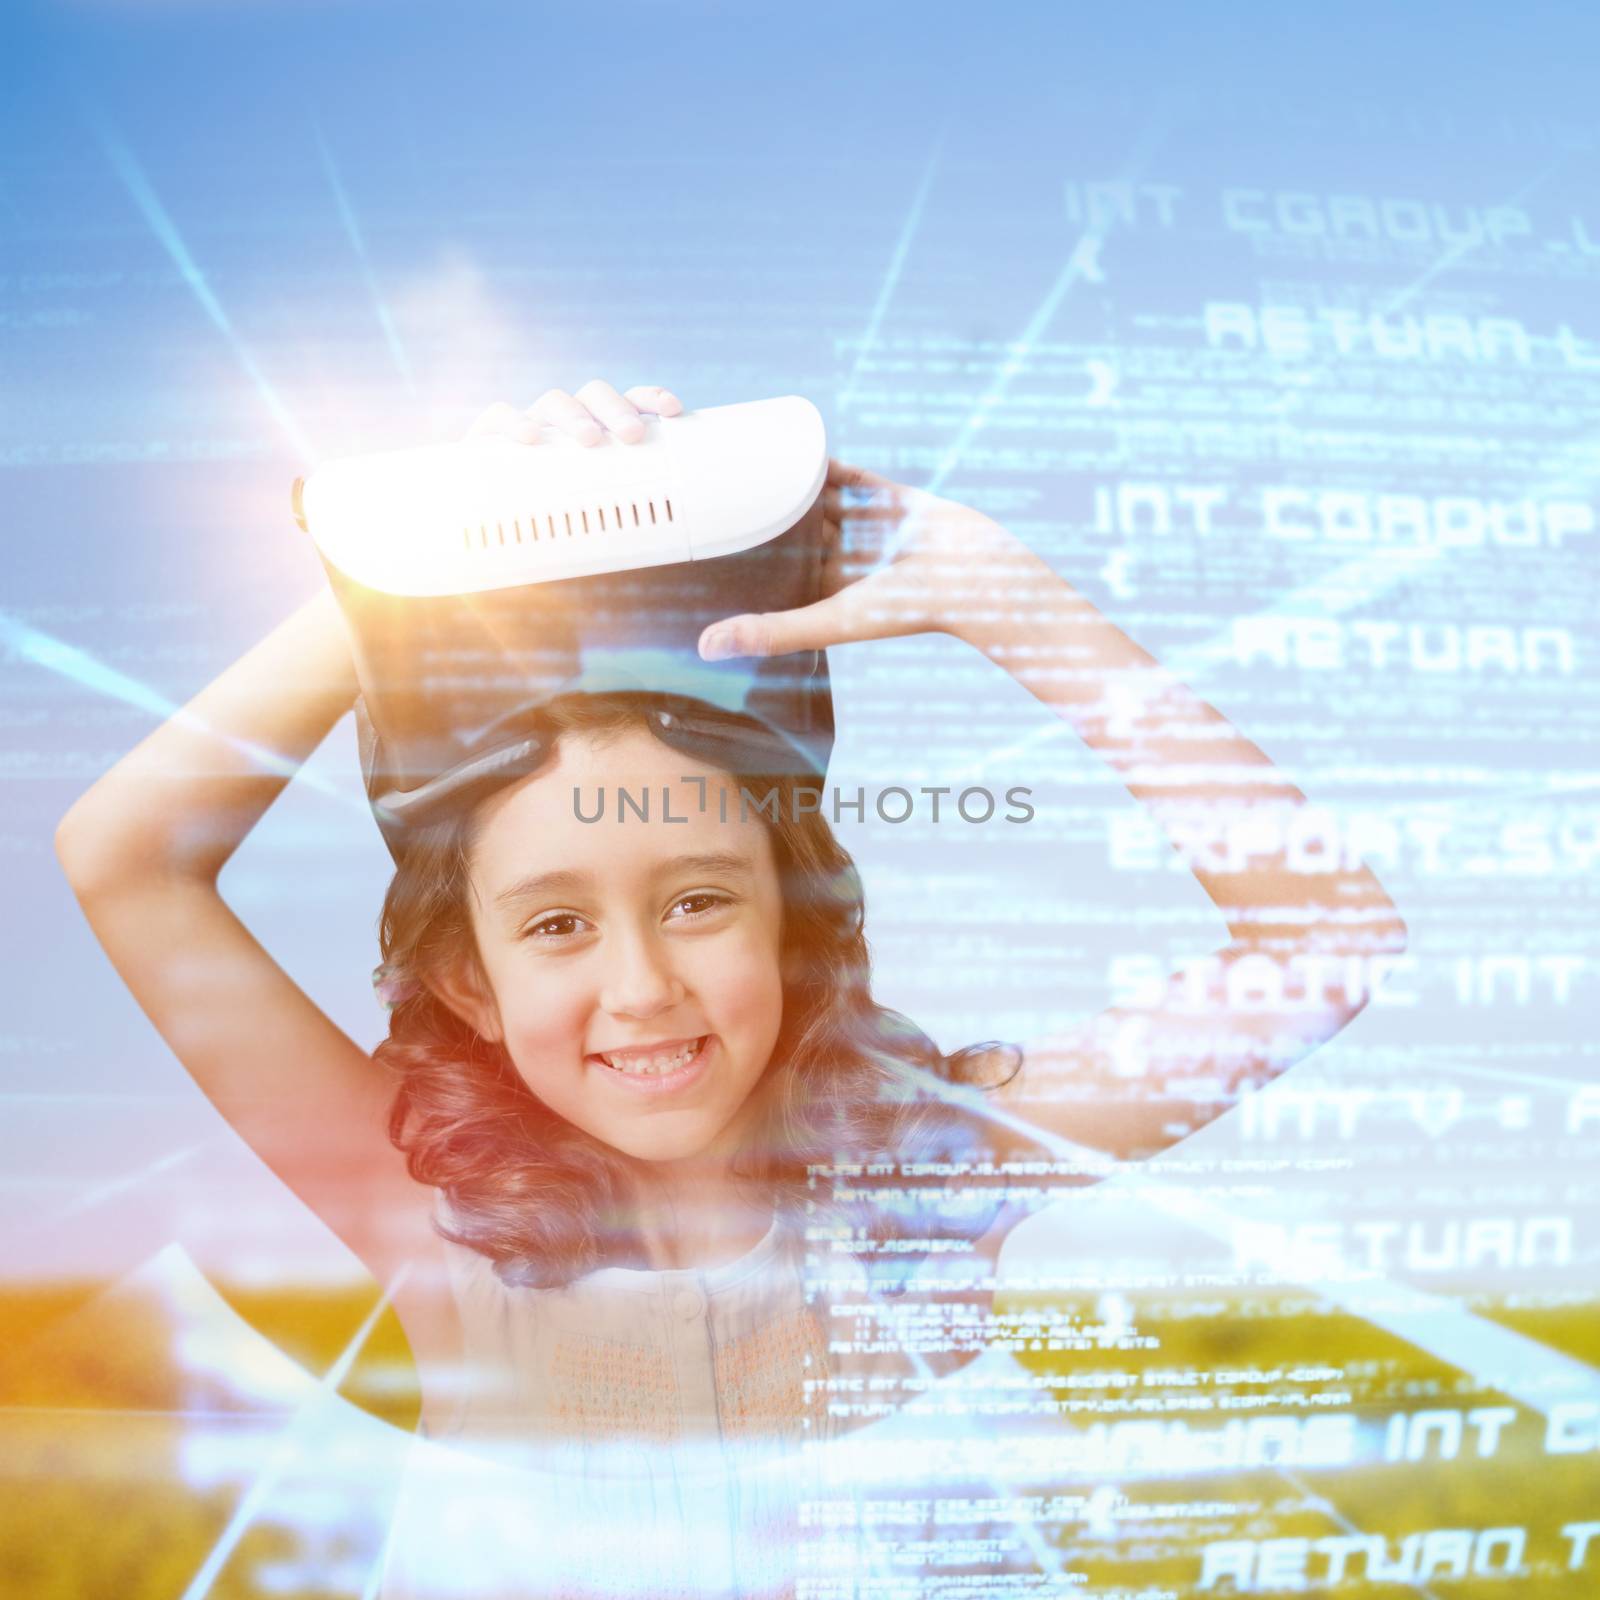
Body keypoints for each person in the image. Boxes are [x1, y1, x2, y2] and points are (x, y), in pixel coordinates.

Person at [54, 379, 1407, 1598]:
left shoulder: (931, 1175)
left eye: (700, 901)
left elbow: (1323, 943)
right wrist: (409, 575)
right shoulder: (435, 1226)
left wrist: (1012, 596)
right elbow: (123, 862)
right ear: (468, 982)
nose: (642, 988)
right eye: (558, 924)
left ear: (793, 924)